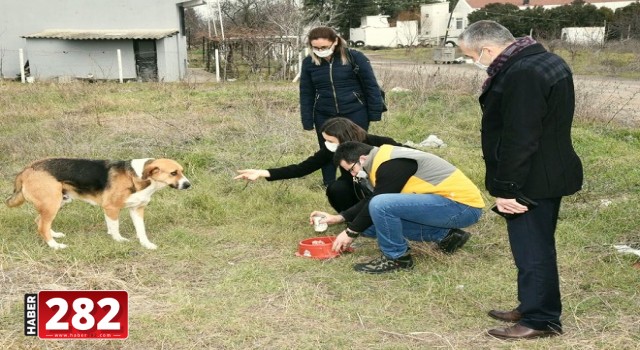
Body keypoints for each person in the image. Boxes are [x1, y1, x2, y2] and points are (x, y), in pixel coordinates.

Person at [458, 20, 584, 340]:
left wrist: (507, 189)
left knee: (532, 251)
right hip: (547, 169)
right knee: (533, 246)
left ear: (486, 49)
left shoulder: (523, 73)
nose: (474, 62)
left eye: (472, 56)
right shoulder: (542, 59)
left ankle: (541, 320)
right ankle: (532, 304)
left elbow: (520, 136)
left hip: (532, 177)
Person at [310, 142, 485, 274]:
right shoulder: (381, 159)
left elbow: (378, 201)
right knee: (370, 224)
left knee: (380, 205)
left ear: (362, 159)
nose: (353, 175)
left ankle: (396, 258)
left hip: (463, 207)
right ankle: (446, 236)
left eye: (351, 169)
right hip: (444, 205)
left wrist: (350, 233)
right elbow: (372, 200)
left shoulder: (391, 163)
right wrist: (339, 218)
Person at [234, 117, 402, 212]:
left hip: (386, 186)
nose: (327, 143)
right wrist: (263, 172)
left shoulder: (380, 142)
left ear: (345, 137)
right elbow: (302, 168)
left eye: (330, 140)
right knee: (336, 188)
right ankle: (351, 219)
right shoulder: (333, 150)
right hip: (355, 188)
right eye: (325, 140)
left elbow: (412, 156)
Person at [300, 26, 385, 186]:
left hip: (355, 111)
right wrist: (307, 120)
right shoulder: (308, 63)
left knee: (357, 148)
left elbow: (371, 86)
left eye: (324, 47)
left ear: (335, 42)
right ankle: (329, 183)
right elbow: (306, 93)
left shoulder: (355, 57)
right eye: (316, 48)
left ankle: (359, 181)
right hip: (324, 113)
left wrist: (374, 113)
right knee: (328, 150)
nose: (320, 50)